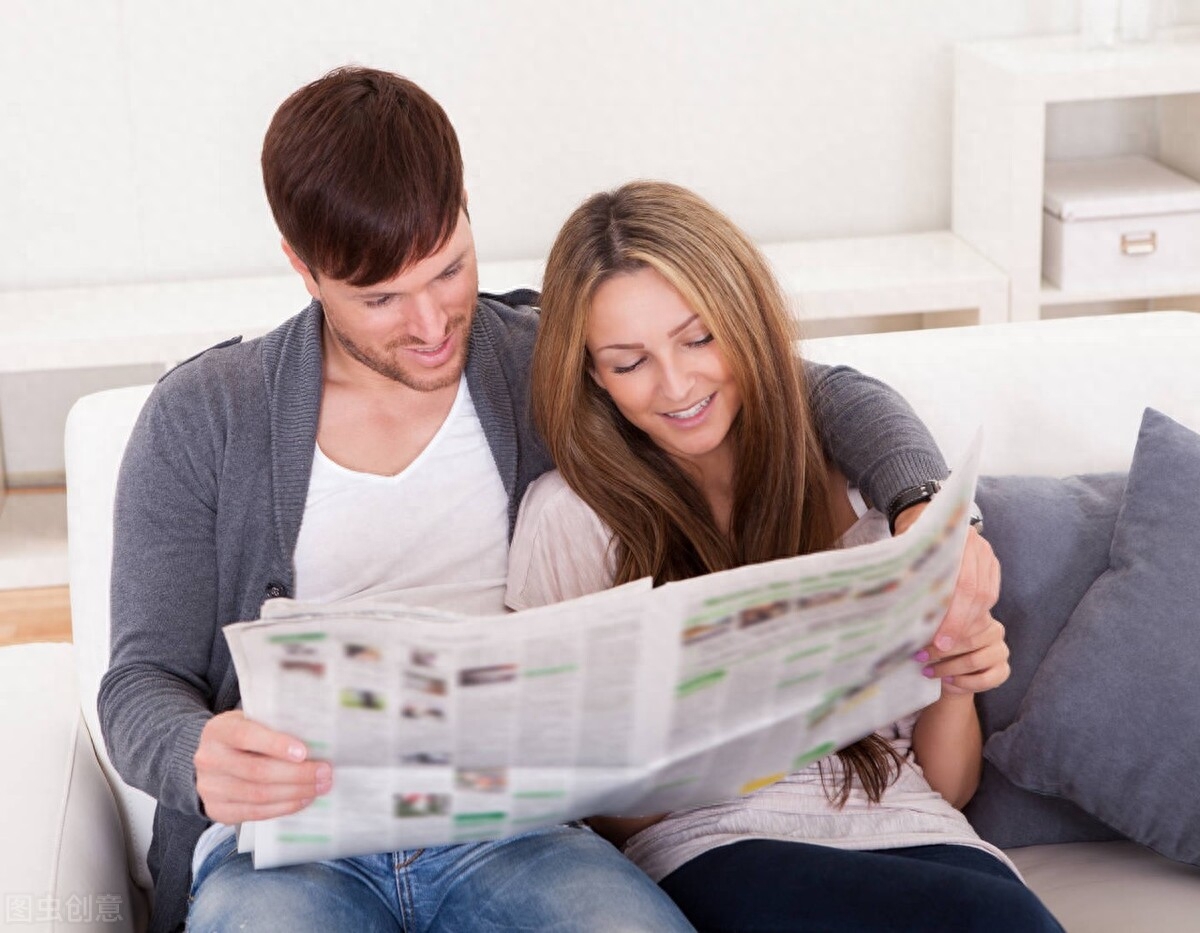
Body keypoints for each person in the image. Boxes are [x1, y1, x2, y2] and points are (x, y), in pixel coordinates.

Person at [99, 67, 990, 933]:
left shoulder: (536, 360)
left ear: (467, 211)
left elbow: (805, 389)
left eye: (448, 269)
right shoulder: (203, 415)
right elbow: (137, 684)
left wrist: (924, 506)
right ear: (303, 268)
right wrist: (195, 753)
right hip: (288, 848)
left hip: (516, 835)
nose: (431, 325)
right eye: (381, 298)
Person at [506, 180, 1065, 932]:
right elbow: (598, 816)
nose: (676, 384)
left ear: (746, 320)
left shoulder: (868, 490)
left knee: (1004, 915)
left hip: (923, 835)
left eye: (699, 338)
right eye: (629, 361)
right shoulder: (571, 517)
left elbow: (947, 787)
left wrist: (957, 681)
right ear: (592, 376)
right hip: (721, 847)